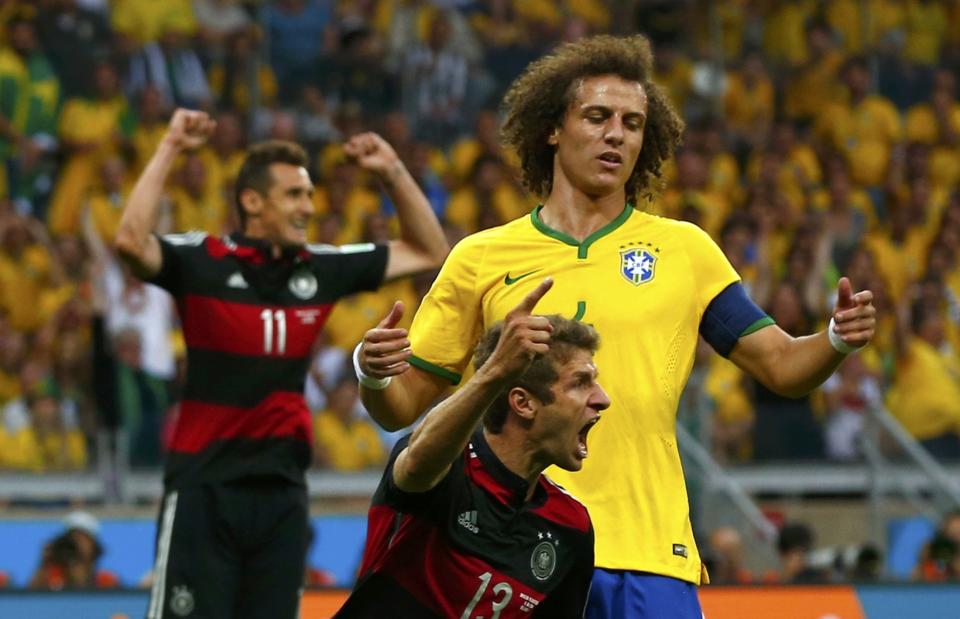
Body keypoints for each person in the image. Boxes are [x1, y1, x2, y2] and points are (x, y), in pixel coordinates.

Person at [355, 34, 876, 618]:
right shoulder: (481, 257)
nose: (616, 134)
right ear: (553, 128)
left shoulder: (685, 250)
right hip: (511, 552)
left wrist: (834, 339)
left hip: (648, 550)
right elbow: (401, 408)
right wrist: (373, 374)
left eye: (632, 122)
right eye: (598, 117)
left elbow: (782, 367)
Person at [114, 109, 448, 619]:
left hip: (283, 497)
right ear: (252, 201)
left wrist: (391, 171)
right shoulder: (204, 261)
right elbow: (130, 243)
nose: (308, 208)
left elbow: (428, 250)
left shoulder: (319, 268)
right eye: (294, 195)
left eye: (310, 195)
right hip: (206, 490)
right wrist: (170, 147)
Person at [338, 280, 605, 618]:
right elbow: (419, 460)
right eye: (581, 382)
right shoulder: (448, 464)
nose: (603, 399)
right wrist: (497, 370)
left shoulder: (571, 527)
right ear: (523, 403)